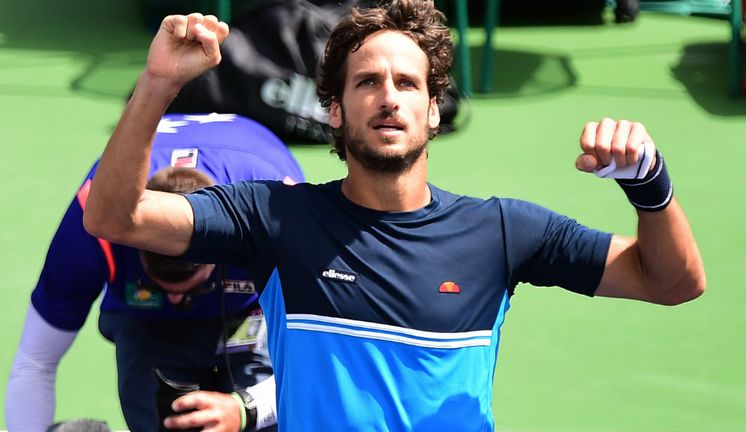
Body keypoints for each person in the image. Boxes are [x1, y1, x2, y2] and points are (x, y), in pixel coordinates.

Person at [83, 1, 706, 430]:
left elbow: (673, 281)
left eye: (408, 83)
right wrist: (159, 84)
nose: (388, 97)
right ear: (334, 111)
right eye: (367, 82)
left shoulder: (502, 233)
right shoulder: (274, 217)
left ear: (434, 110)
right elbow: (116, 217)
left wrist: (648, 182)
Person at [6, 113, 305, 432]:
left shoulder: (278, 214)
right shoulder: (97, 219)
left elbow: (317, 372)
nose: (176, 298)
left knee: (283, 421)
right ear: (131, 240)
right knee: (158, 421)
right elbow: (35, 362)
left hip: (249, 308)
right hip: (145, 320)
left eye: (188, 286)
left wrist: (246, 410)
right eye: (162, 283)